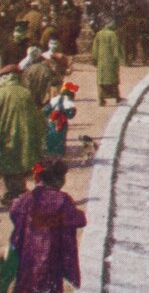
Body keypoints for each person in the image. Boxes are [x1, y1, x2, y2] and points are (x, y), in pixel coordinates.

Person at [7, 158, 86, 292]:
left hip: (29, 256)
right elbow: (79, 220)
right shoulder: (63, 199)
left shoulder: (27, 198)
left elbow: (14, 211)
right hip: (52, 257)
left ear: (38, 178)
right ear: (59, 180)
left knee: (25, 285)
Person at [0, 64, 45, 206]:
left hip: (6, 137)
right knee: (19, 164)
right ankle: (19, 192)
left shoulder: (1, 93)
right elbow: (38, 118)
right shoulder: (26, 93)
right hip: (25, 137)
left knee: (9, 166)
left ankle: (15, 195)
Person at [91, 19, 125, 106]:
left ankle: (101, 99)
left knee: (101, 81)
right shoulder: (113, 34)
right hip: (111, 62)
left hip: (101, 62)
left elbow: (95, 49)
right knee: (113, 80)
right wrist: (120, 60)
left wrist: (94, 60)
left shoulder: (99, 34)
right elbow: (116, 49)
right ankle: (117, 97)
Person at [42, 82, 78, 156]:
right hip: (62, 122)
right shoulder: (69, 102)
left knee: (50, 135)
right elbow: (71, 115)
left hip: (52, 121)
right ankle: (59, 152)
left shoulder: (55, 99)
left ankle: (50, 150)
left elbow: (46, 110)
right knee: (61, 137)